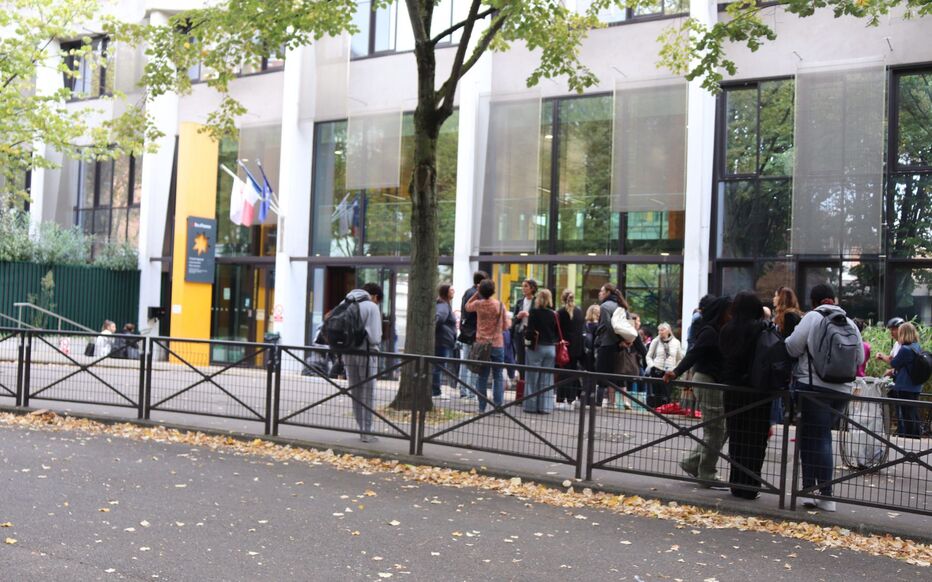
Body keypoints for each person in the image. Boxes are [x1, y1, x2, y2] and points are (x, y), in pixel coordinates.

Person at [784, 283, 864, 512]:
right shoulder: (850, 323)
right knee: (819, 436)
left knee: (814, 437)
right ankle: (814, 492)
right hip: (842, 389)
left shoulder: (812, 318)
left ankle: (821, 494)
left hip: (812, 387)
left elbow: (792, 347)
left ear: (814, 301)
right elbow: (858, 359)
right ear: (833, 299)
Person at [663, 296, 732, 488]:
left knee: (720, 428)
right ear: (721, 312)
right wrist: (675, 372)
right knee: (716, 429)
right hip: (707, 380)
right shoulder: (710, 331)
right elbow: (693, 354)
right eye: (729, 312)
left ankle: (693, 462)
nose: (731, 315)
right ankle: (707, 473)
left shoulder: (718, 330)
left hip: (712, 381)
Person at [719, 292, 770, 500]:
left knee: (736, 436)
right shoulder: (760, 329)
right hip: (758, 391)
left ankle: (736, 482)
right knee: (756, 438)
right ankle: (751, 483)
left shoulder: (726, 330)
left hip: (733, 389)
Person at [341, 283, 384, 443]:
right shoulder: (371, 307)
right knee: (368, 391)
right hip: (366, 353)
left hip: (347, 352)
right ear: (375, 296)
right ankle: (366, 431)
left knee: (355, 390)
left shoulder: (345, 303)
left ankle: (360, 426)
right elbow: (375, 337)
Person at [465, 279, 510, 413]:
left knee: (482, 376)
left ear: (481, 291)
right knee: (498, 376)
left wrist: (476, 293)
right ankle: (498, 407)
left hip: (482, 346)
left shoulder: (478, 304)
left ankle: (481, 407)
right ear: (493, 291)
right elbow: (506, 326)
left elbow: (467, 306)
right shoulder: (500, 305)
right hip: (497, 344)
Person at [770, 287, 804, 429]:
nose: (773, 298)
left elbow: (788, 342)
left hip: (786, 364)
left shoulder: (789, 316)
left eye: (776, 295)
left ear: (782, 298)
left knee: (785, 395)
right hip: (789, 363)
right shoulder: (793, 315)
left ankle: (783, 422)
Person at [884, 322, 924, 437]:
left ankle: (910, 437)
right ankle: (916, 436)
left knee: (907, 414)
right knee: (913, 412)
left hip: (904, 385)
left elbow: (894, 363)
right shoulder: (916, 346)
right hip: (915, 385)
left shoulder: (905, 349)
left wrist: (884, 357)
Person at [594, 283, 631, 407]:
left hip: (607, 345)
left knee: (602, 375)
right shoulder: (622, 306)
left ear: (608, 293)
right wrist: (625, 340)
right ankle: (621, 402)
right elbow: (629, 324)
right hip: (621, 347)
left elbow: (609, 326)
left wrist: (618, 340)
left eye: (601, 291)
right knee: (617, 374)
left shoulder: (605, 306)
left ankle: (604, 403)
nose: (599, 293)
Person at [524, 289, 559, 414]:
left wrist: (526, 342)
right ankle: (545, 407)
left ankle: (531, 406)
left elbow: (530, 330)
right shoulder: (554, 314)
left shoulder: (533, 312)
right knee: (547, 379)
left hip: (537, 347)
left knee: (532, 377)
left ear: (538, 298)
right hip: (550, 348)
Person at [457, 271, 488, 399]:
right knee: (474, 362)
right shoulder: (477, 296)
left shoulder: (467, 292)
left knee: (465, 361)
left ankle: (464, 391)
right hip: (474, 332)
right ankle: (470, 393)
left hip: (466, 331)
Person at [555, 289, 585, 410]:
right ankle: (572, 398)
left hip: (564, 347)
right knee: (573, 373)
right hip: (576, 348)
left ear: (562, 298)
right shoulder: (579, 312)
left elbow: (557, 329)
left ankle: (562, 399)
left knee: (563, 374)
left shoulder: (560, 313)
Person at [645, 323, 684, 408]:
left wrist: (675, 369)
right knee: (656, 395)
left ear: (669, 330)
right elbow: (648, 356)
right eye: (659, 330)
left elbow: (680, 358)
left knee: (666, 395)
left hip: (669, 372)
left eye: (663, 330)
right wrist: (652, 366)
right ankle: (656, 412)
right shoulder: (655, 341)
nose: (660, 332)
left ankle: (665, 414)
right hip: (656, 370)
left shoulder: (676, 342)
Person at [433, 283, 457, 400]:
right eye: (451, 290)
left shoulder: (444, 304)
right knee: (438, 366)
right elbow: (439, 319)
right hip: (442, 341)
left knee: (438, 366)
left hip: (443, 340)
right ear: (445, 292)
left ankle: (435, 390)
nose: (453, 291)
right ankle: (435, 392)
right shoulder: (443, 306)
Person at [511, 278, 538, 380]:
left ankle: (530, 383)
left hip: (531, 334)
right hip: (520, 333)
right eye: (522, 286)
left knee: (531, 358)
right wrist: (518, 316)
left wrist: (529, 315)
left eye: (526, 286)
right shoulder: (519, 302)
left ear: (532, 288)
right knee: (520, 359)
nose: (523, 288)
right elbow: (514, 320)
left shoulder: (536, 302)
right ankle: (522, 383)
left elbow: (539, 318)